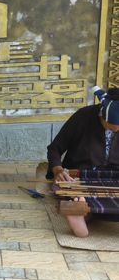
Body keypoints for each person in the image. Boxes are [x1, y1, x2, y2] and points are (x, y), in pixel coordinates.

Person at [47, 86, 119, 237]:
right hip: (82, 174)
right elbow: (55, 148)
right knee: (78, 194)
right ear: (102, 115)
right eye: (111, 127)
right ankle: (81, 212)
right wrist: (58, 170)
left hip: (113, 176)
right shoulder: (83, 116)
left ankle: (85, 212)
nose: (115, 131)